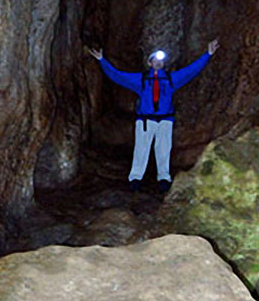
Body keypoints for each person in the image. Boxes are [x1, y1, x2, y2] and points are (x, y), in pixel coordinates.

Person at [89, 40, 219, 193]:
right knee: (141, 150)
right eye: (155, 60)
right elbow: (118, 76)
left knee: (164, 149)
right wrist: (102, 60)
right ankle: (135, 178)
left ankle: (164, 178)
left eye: (161, 61)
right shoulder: (142, 80)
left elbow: (191, 71)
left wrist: (208, 54)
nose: (158, 63)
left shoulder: (171, 79)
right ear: (150, 63)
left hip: (165, 119)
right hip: (145, 120)